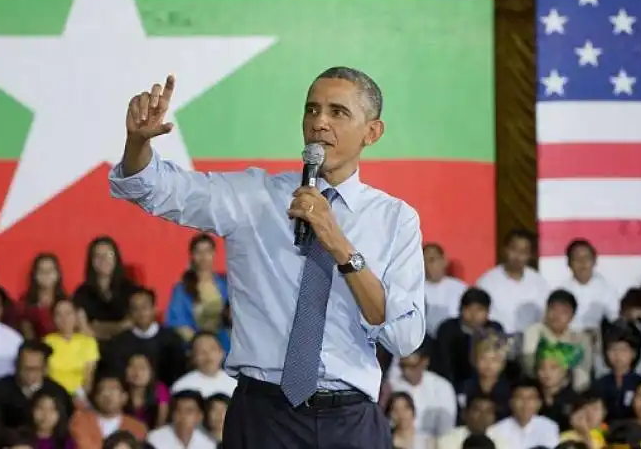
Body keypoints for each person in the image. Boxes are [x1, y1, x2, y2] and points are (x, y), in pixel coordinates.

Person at [110, 68, 425, 448]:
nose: (319, 123)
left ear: (372, 132)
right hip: (263, 416)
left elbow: (404, 336)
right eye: (312, 110)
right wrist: (137, 144)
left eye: (338, 112)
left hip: (350, 421)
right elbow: (155, 188)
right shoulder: (255, 197)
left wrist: (337, 242)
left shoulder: (395, 219)